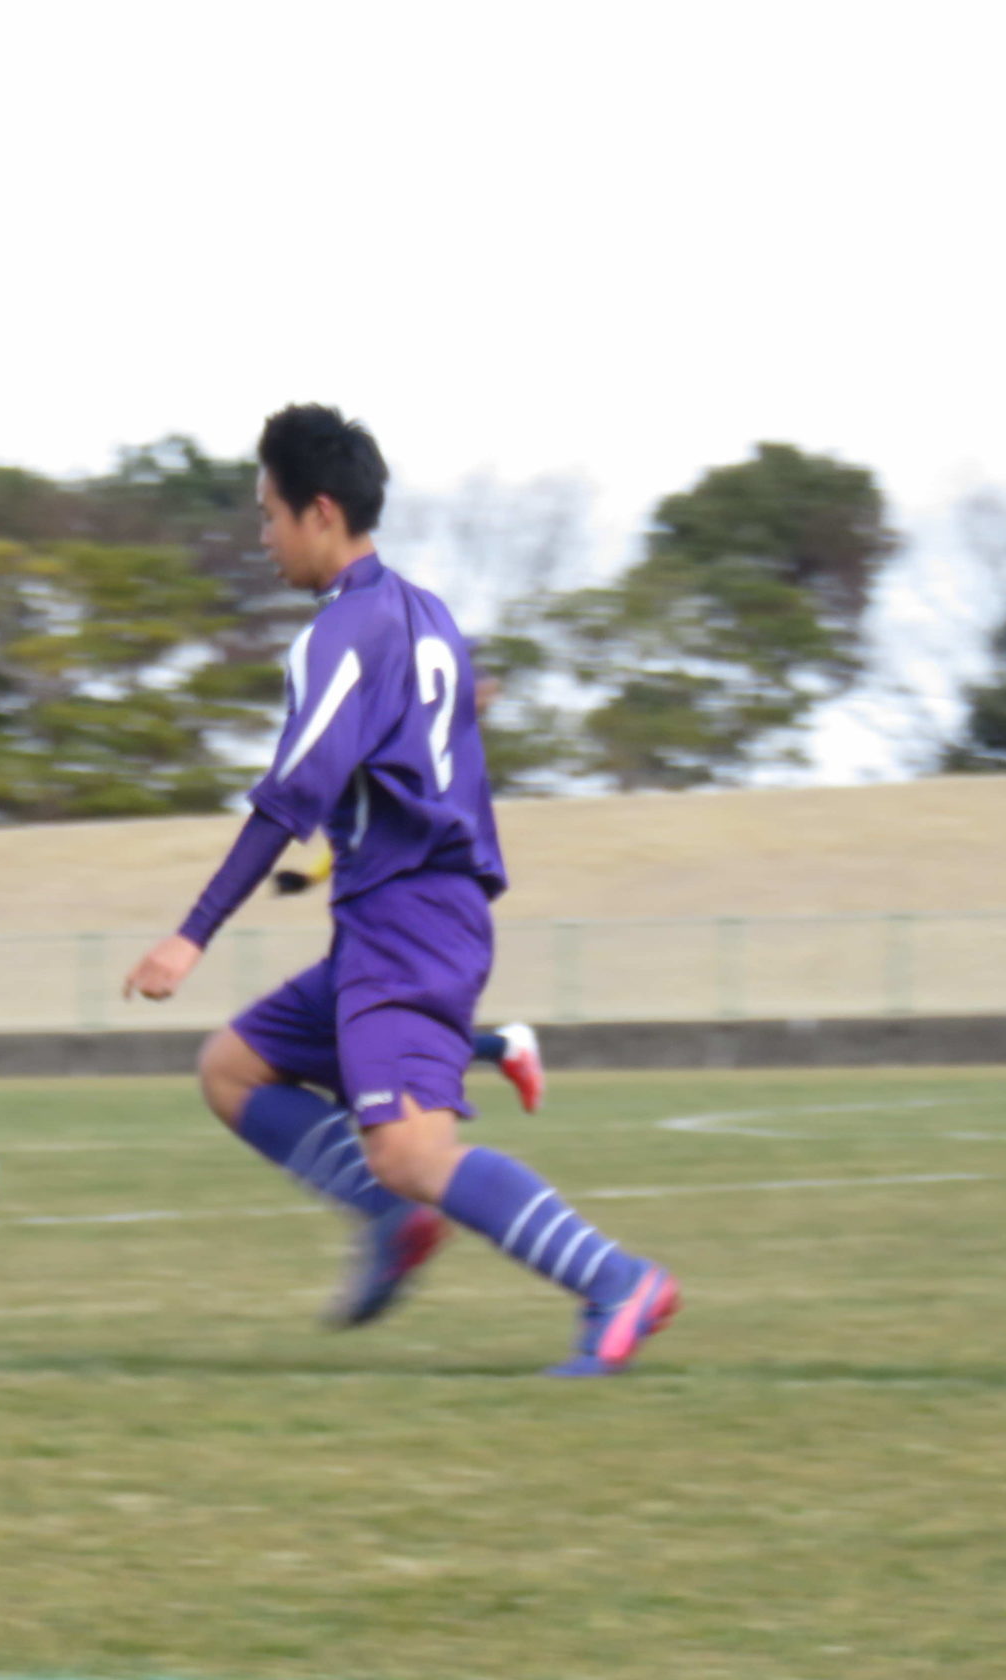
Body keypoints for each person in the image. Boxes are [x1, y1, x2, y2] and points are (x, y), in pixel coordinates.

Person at [125, 405, 678, 1376]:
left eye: (269, 515)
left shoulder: (337, 634)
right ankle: (391, 1220)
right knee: (232, 1068)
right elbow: (426, 732)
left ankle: (615, 1280)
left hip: (408, 926)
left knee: (413, 1154)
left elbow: (289, 795)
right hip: (402, 920)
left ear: (320, 511)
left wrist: (191, 934)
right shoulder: (426, 614)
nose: (263, 539)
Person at [275, 839, 546, 1111]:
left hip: (408, 933)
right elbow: (355, 835)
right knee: (365, 1040)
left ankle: (502, 1047)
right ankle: (501, 1048)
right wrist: (311, 877)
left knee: (384, 1042)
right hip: (372, 933)